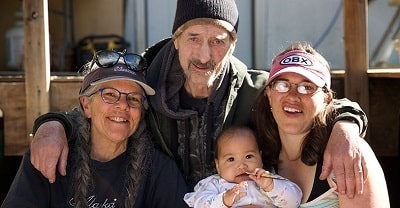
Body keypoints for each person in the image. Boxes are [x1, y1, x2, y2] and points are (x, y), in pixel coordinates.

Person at [31, 0, 368, 197]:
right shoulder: (146, 83)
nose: (205, 55)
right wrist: (53, 125)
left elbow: (307, 99)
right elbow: (101, 107)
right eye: (194, 38)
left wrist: (347, 128)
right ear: (176, 39)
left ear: (233, 45)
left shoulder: (254, 89)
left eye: (218, 41)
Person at [1, 50, 188, 208]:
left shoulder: (159, 171)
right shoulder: (49, 155)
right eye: (109, 94)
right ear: (86, 105)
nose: (123, 105)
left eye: (133, 98)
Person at [252, 41, 390, 207]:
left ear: (327, 98)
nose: (293, 96)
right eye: (283, 85)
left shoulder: (347, 153)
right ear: (268, 93)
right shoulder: (255, 155)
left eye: (307, 87)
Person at [184, 125, 302, 208]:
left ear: (260, 158)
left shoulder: (268, 180)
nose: (241, 165)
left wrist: (271, 187)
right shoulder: (214, 184)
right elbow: (199, 204)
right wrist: (224, 200)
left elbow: (294, 201)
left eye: (249, 156)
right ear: (218, 165)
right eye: (231, 159)